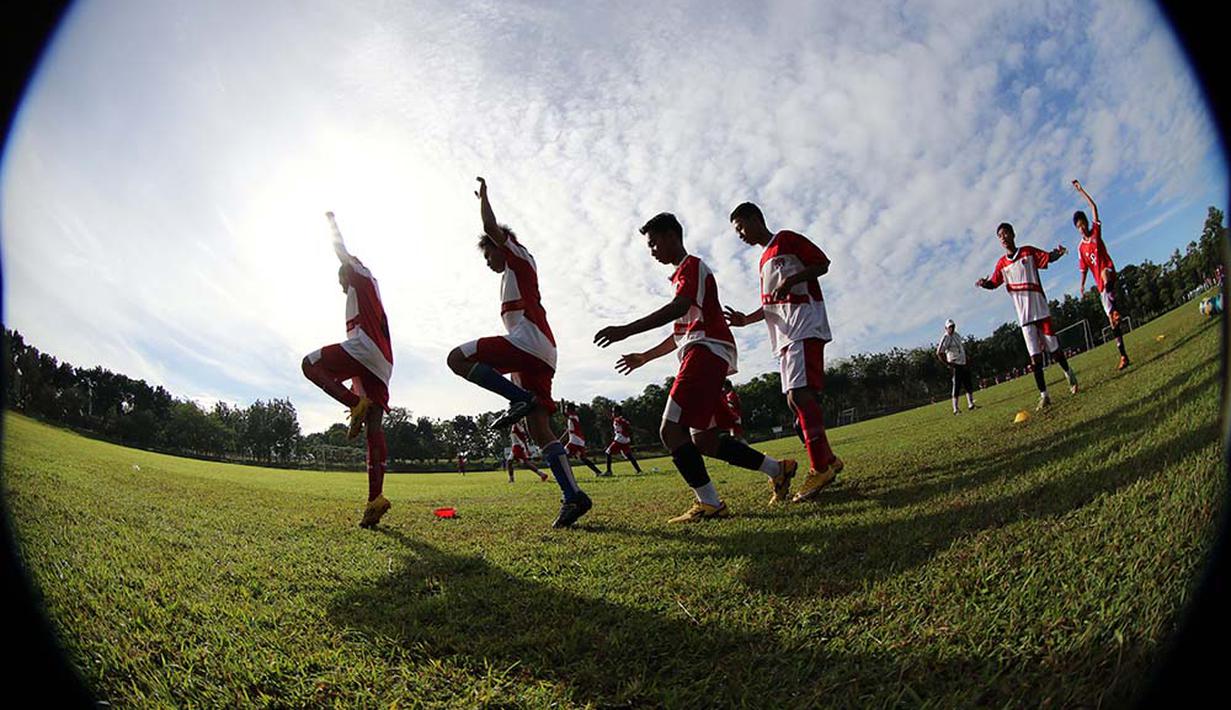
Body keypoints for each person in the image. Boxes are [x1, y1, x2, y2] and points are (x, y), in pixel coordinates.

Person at [594, 212, 796, 522]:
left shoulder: (692, 267)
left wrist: (625, 329)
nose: (652, 251)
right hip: (705, 352)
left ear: (671, 236)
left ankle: (710, 503)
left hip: (705, 352)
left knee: (670, 430)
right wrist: (644, 357)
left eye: (653, 243)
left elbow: (678, 309)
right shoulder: (681, 277)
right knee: (705, 440)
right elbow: (679, 334)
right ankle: (776, 470)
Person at [446, 177, 592, 528]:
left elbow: (490, 226)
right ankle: (574, 497)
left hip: (529, 342)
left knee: (456, 358)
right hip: (543, 350)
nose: (487, 262)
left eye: (488, 254)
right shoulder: (517, 267)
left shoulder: (514, 251)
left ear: (500, 245)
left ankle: (517, 398)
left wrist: (484, 198)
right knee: (539, 426)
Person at [724, 202, 841, 503]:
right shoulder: (763, 260)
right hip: (785, 335)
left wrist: (792, 279)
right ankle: (828, 460)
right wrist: (744, 320)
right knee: (794, 400)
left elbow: (823, 264)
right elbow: (769, 306)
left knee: (800, 396)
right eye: (736, 232)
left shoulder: (787, 240)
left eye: (741, 227)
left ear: (755, 219)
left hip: (804, 323)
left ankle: (819, 467)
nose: (740, 235)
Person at [301, 211, 394, 529]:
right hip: (383, 360)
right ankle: (374, 501)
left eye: (341, 282)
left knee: (310, 364)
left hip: (364, 347)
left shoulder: (357, 273)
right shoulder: (372, 289)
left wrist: (330, 224)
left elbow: (341, 253)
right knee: (374, 429)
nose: (341, 287)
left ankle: (354, 403)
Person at [976, 222, 1078, 410]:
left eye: (1006, 233)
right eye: (1000, 236)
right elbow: (994, 283)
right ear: (999, 241)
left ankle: (1068, 373)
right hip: (1024, 318)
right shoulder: (1002, 264)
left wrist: (1059, 253)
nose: (1004, 238)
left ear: (1013, 235)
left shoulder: (1028, 252)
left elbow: (1047, 257)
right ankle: (1044, 395)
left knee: (1054, 350)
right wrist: (984, 283)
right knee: (1035, 358)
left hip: (1040, 310)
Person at [1072, 180, 1130, 370]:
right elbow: (1084, 269)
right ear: (1076, 229)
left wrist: (1081, 191)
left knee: (1105, 273)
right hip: (1101, 286)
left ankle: (1114, 310)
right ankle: (1123, 355)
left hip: (1109, 272)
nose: (1082, 227)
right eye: (1079, 226)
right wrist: (1081, 285)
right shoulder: (1080, 248)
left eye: (1083, 224)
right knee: (1114, 326)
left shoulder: (1096, 231)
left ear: (1087, 223)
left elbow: (1094, 206)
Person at [936, 319, 977, 414]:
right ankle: (955, 408)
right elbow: (939, 353)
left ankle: (970, 404)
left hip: (963, 362)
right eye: (950, 327)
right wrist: (948, 364)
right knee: (957, 386)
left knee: (968, 384)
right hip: (955, 363)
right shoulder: (945, 338)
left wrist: (966, 358)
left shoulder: (957, 335)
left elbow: (961, 348)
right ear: (946, 328)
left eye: (953, 326)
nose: (952, 328)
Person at [560, 402, 605, 476]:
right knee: (583, 458)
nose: (565, 410)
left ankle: (565, 474)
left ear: (570, 409)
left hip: (575, 441)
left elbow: (564, 414)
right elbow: (568, 430)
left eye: (566, 408)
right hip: (578, 441)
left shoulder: (573, 417)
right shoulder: (571, 419)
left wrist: (561, 406)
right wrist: (560, 440)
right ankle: (598, 472)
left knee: (563, 455)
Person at [604, 405, 643, 475]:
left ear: (618, 412)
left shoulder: (620, 420)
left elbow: (629, 427)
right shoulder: (618, 419)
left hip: (620, 439)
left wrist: (640, 431)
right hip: (625, 440)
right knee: (629, 455)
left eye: (614, 412)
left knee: (608, 452)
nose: (613, 413)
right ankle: (639, 470)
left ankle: (609, 471)